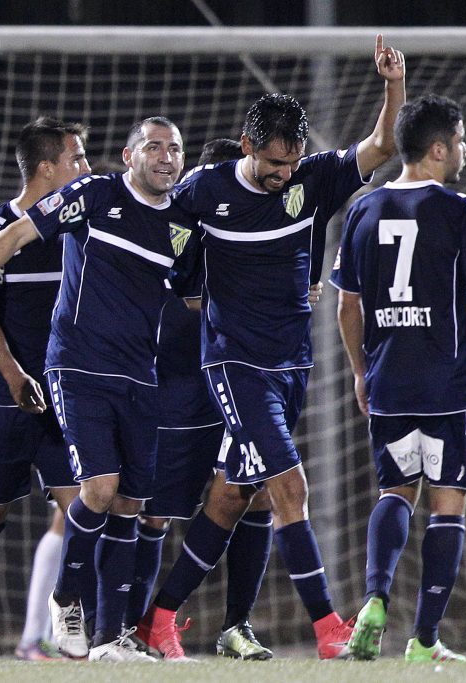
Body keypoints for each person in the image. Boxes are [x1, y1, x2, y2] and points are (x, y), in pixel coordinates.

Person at [136, 35, 406, 661]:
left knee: (235, 495)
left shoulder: (312, 182)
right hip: (235, 364)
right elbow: (174, 265)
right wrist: (204, 294)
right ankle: (329, 629)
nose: (284, 173)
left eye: (293, 162)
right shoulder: (203, 191)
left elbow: (382, 145)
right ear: (248, 144)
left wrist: (392, 85)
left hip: (292, 364)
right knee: (291, 489)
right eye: (273, 162)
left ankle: (160, 618)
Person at [0, 116, 199, 662]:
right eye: (152, 146)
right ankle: (60, 601)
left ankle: (111, 639)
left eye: (174, 148)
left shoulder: (183, 223)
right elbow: (17, 232)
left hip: (139, 374)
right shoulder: (94, 194)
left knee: (130, 502)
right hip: (76, 368)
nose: (165, 156)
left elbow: (195, 297)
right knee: (98, 490)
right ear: (129, 157)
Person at [331, 93, 466, 663]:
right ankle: (423, 640)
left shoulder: (362, 210)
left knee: (395, 491)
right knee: (447, 505)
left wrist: (360, 372)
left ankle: (373, 598)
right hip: (449, 384)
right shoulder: (461, 210)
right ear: (438, 149)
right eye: (461, 140)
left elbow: (348, 308)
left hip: (390, 380)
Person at [125, 137, 275, 662]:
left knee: (257, 494)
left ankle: (236, 626)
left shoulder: (253, 235)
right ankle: (133, 629)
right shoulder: (176, 228)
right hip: (180, 387)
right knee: (157, 513)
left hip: (237, 387)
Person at [0, 117, 90, 663]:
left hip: (62, 399)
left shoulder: (79, 227)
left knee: (85, 508)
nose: (84, 169)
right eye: (76, 159)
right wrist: (15, 376)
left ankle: (79, 628)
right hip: (2, 397)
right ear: (46, 168)